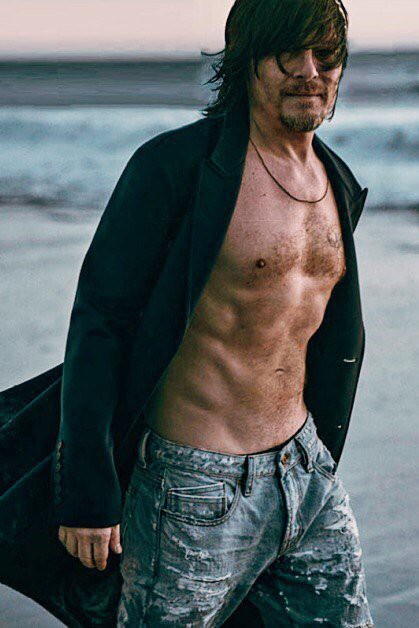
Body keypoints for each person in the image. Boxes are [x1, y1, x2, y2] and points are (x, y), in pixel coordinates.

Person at [55, 0, 374, 625]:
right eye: (288, 53)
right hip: (194, 487)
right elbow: (100, 322)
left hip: (306, 474)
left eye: (326, 55)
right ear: (247, 60)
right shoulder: (176, 169)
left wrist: (324, 454)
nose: (310, 71)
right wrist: (87, 490)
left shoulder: (336, 181)